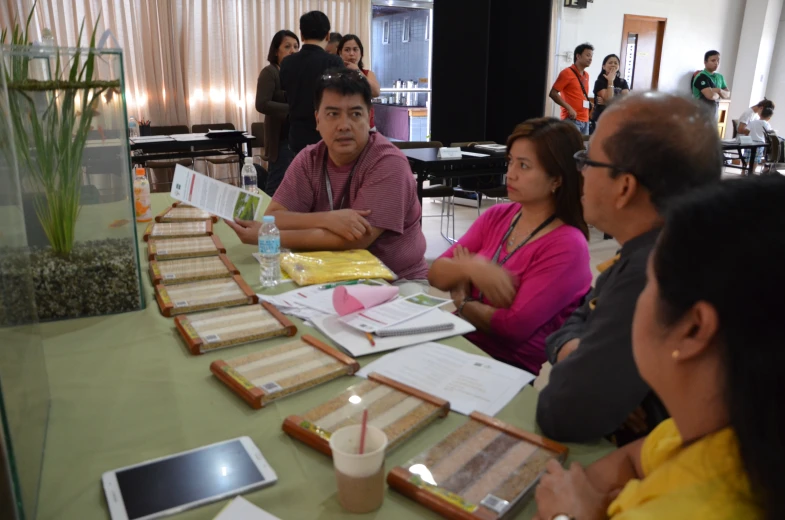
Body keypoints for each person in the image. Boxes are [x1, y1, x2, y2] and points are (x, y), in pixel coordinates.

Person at [533, 176, 785, 520]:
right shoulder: (722, 427)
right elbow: (634, 458)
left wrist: (568, 516)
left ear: (694, 328)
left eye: (648, 284)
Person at [536, 92, 723, 445]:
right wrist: (581, 353)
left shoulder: (653, 272)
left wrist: (585, 365)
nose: (581, 174)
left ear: (624, 187)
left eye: (588, 161)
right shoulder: (669, 247)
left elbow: (562, 412)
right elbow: (573, 321)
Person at [225, 68, 429, 281]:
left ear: (369, 118)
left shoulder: (388, 163)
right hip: (329, 274)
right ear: (317, 119)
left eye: (355, 114)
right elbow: (275, 217)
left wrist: (267, 238)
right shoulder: (309, 159)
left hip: (396, 282)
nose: (343, 126)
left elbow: (354, 239)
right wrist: (328, 219)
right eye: (332, 114)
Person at [428, 119, 591, 375]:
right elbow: (436, 274)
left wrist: (462, 300)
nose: (511, 173)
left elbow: (513, 327)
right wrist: (472, 267)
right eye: (511, 161)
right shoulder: (499, 215)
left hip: (505, 367)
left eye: (524, 166)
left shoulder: (567, 245)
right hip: (460, 340)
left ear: (556, 179)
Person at [280, 11, 344, 154]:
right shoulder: (334, 61)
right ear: (328, 35)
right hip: (325, 134)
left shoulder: (287, 63)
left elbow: (285, 89)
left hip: (297, 135)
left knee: (299, 175)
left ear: (302, 36)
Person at [255, 30, 300, 196]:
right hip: (280, 139)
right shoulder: (270, 72)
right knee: (275, 187)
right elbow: (261, 103)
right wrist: (292, 110)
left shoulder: (296, 73)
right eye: (287, 46)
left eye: (296, 47)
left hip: (296, 138)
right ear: (276, 50)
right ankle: (264, 221)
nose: (293, 51)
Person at [338, 34, 380, 131]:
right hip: (343, 125)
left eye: (355, 49)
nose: (351, 54)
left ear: (361, 53)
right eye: (347, 50)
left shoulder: (367, 73)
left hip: (366, 125)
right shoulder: (336, 74)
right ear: (340, 53)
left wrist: (358, 72)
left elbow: (376, 92)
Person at [549, 43, 594, 136]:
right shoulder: (567, 73)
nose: (590, 58)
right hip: (571, 119)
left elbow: (580, 94)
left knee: (583, 149)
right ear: (578, 56)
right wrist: (569, 108)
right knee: (570, 149)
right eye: (588, 55)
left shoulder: (586, 75)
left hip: (585, 119)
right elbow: (553, 93)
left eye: (591, 56)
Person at [692, 50, 730, 119]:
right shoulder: (701, 76)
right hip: (701, 113)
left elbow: (727, 95)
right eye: (713, 60)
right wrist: (720, 92)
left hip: (714, 112)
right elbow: (710, 96)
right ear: (705, 62)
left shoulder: (720, 77)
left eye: (718, 60)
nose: (716, 63)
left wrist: (718, 90)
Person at [592, 54, 629, 122]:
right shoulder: (599, 82)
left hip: (618, 118)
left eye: (615, 63)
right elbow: (609, 98)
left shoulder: (623, 82)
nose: (613, 65)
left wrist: (607, 102)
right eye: (610, 62)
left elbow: (626, 101)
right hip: (601, 118)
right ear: (604, 66)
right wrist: (610, 81)